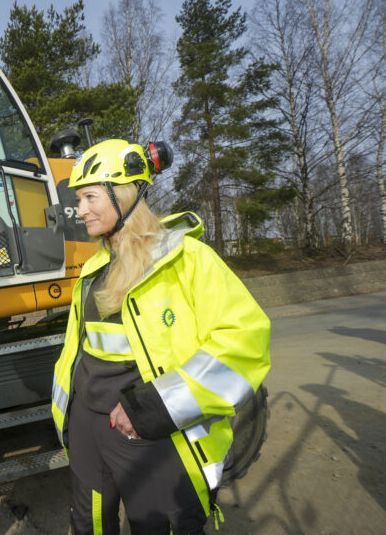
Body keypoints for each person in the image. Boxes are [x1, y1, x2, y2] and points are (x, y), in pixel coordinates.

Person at [51, 139, 271, 535]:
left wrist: (154, 406)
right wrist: (71, 419)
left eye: (89, 197)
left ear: (124, 196)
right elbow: (78, 353)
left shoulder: (186, 260)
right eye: (78, 199)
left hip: (150, 434)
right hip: (88, 431)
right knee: (88, 525)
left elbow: (245, 343)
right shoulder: (92, 270)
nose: (79, 210)